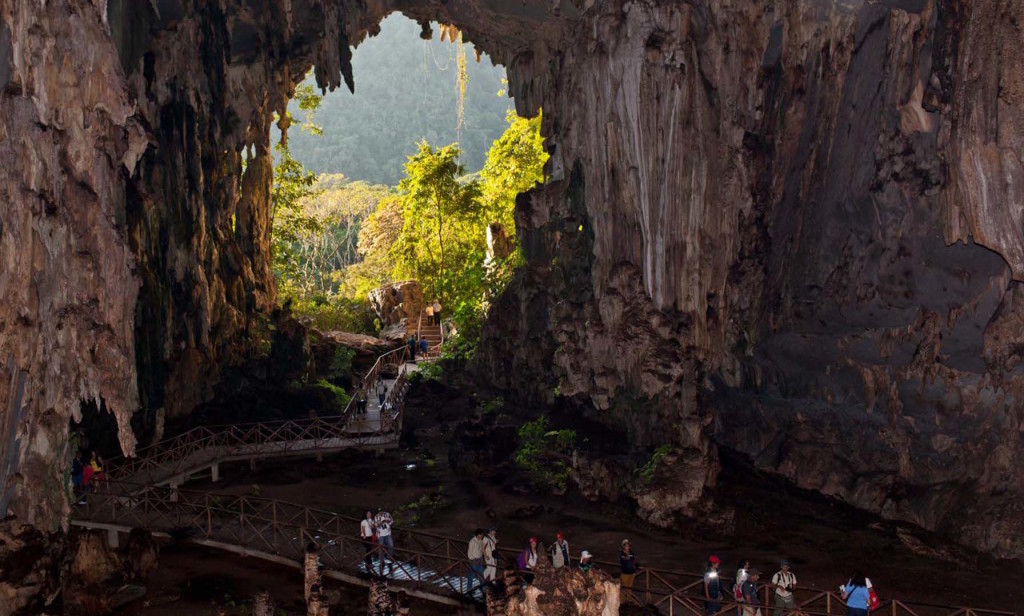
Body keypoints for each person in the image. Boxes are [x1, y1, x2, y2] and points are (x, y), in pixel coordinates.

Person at [373, 508, 395, 574]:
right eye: (380, 512)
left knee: (391, 546)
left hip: (388, 534)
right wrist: (381, 523)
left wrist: (388, 522)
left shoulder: (387, 514)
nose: (381, 513)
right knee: (380, 548)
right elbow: (375, 525)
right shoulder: (376, 517)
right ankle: (382, 561)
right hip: (380, 535)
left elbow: (392, 521)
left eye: (382, 511)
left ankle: (388, 559)